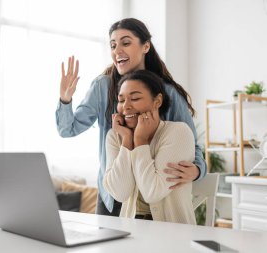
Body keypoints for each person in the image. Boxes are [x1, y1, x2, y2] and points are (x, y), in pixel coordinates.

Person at [56, 18, 206, 216]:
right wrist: (65, 99)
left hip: (152, 201)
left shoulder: (167, 93)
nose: (117, 50)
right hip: (114, 196)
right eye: (113, 45)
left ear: (145, 46)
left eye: (125, 43)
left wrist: (197, 170)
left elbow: (190, 143)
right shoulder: (102, 87)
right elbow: (68, 129)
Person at [103, 70, 196, 224]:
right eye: (121, 100)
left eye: (135, 98)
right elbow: (120, 193)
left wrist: (140, 139)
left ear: (157, 101)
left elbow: (152, 192)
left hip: (173, 235)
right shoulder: (116, 136)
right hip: (131, 231)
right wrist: (127, 140)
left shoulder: (178, 132)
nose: (125, 107)